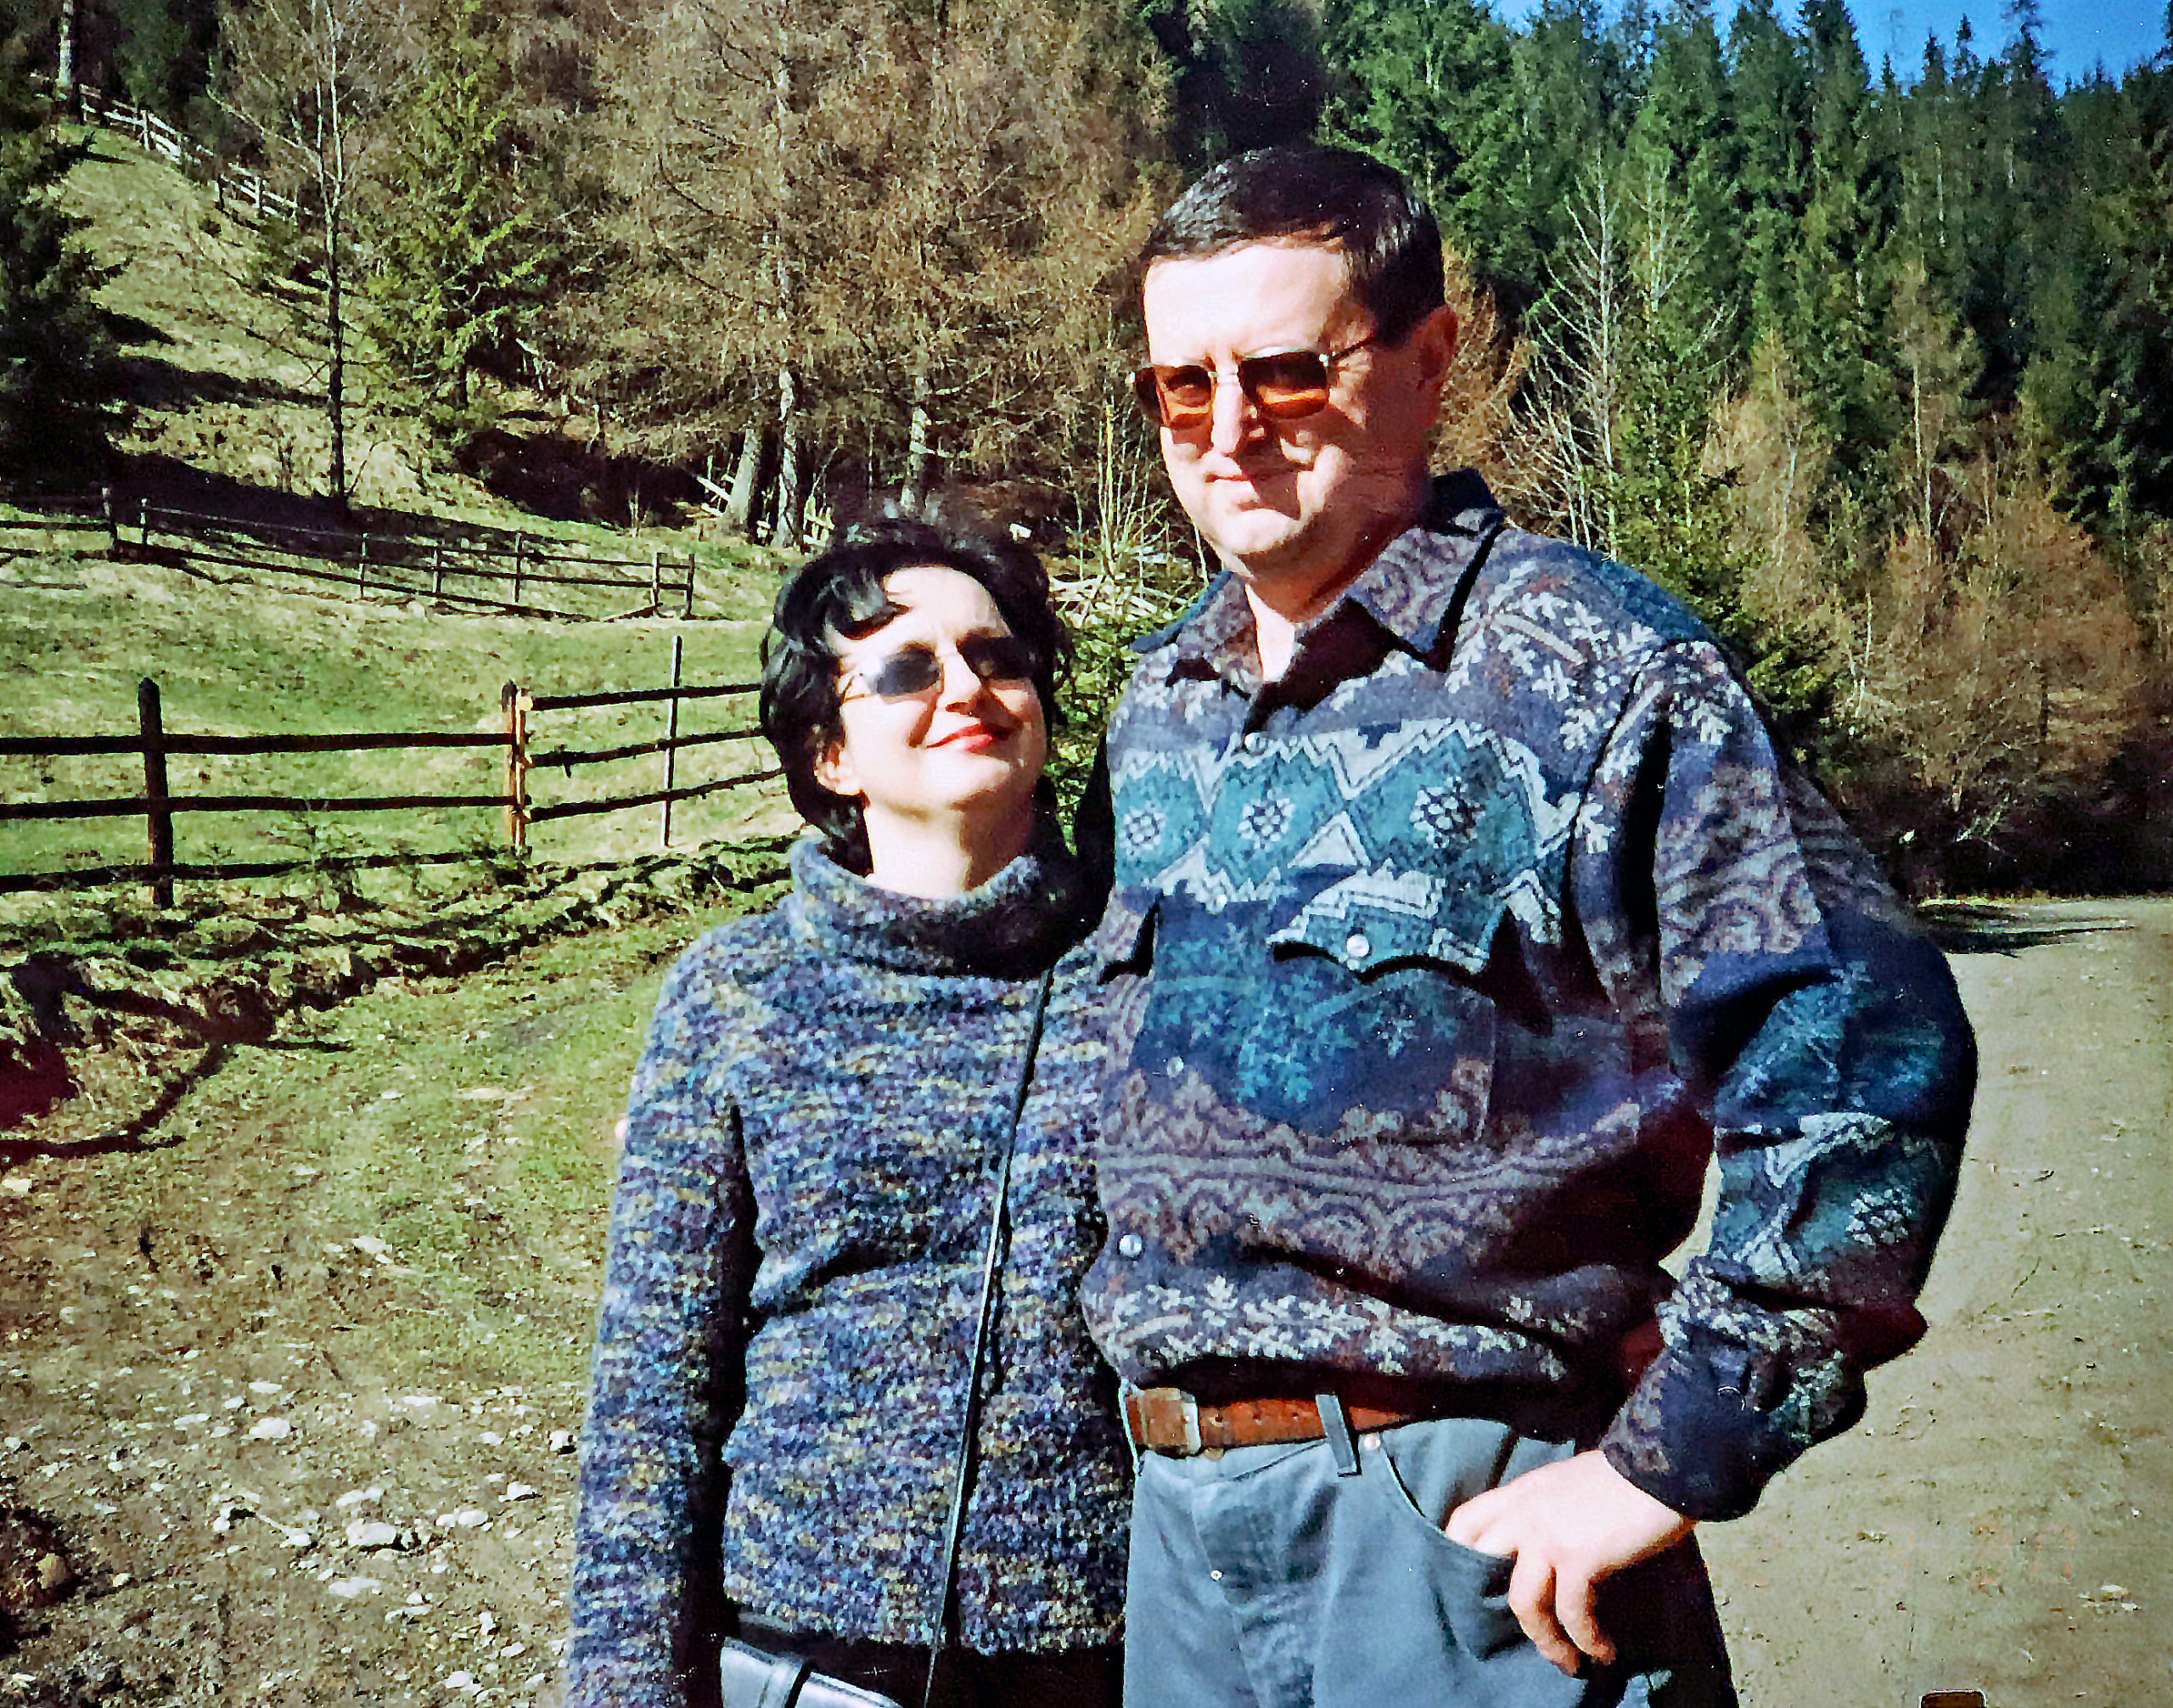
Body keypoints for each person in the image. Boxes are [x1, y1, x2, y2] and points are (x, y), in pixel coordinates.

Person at [1079, 144, 1978, 1708]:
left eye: (1286, 375)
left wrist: (1669, 1458)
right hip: (1181, 1549)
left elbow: (1861, 1046)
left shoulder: (1595, 669)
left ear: (1429, 362)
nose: (1228, 433)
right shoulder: (1159, 707)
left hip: (1465, 1527)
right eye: (1180, 386)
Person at [567, 515, 1130, 1708]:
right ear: (830, 753)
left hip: (1106, 1662)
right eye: (908, 669)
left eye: (999, 657)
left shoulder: (1138, 976)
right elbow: (653, 1389)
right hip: (807, 1658)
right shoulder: (734, 994)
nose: (967, 687)